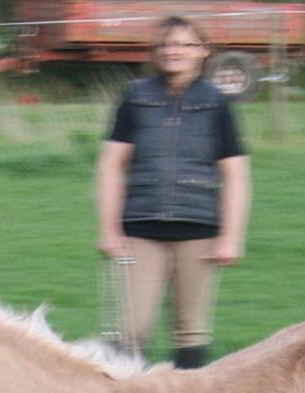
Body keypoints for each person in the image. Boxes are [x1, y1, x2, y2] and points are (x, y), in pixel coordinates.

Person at [96, 14, 252, 368]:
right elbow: (110, 165)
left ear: (202, 51)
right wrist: (108, 229)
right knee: (131, 332)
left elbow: (236, 173)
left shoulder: (217, 103)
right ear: (156, 51)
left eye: (184, 44)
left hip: (197, 230)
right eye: (166, 44)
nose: (173, 51)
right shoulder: (134, 98)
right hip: (140, 229)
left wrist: (232, 236)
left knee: (190, 333)